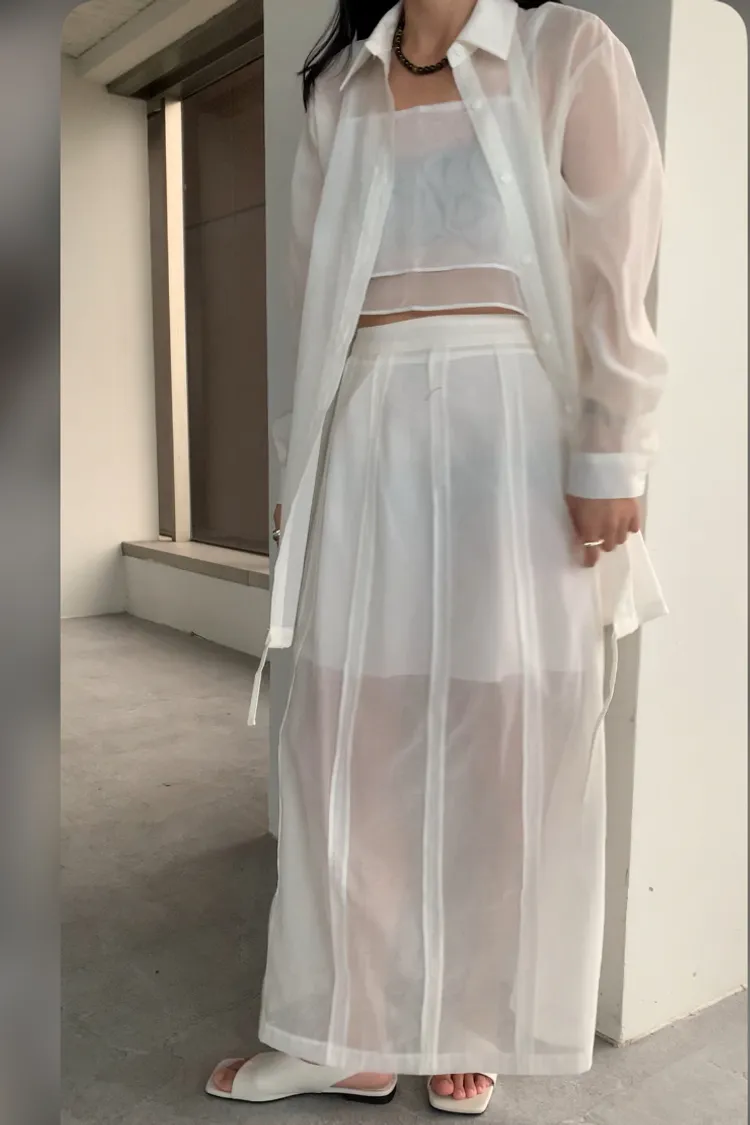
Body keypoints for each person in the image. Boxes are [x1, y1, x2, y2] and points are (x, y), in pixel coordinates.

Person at [206, 0, 668, 1115]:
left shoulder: (565, 53)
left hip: (512, 435)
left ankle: (472, 1015)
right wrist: (302, 463)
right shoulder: (342, 88)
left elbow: (614, 268)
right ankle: (345, 1029)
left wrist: (611, 449)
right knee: (346, 732)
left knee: (502, 731)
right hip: (368, 433)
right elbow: (316, 299)